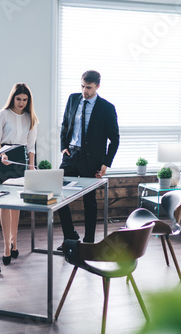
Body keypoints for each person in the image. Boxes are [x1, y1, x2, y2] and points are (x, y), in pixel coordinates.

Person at [57, 70, 119, 249]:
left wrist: (106, 163)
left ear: (97, 86)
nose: (85, 91)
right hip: (71, 156)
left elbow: (114, 139)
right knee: (60, 196)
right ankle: (70, 236)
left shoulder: (107, 108)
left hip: (92, 160)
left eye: (89, 88)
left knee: (89, 201)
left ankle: (89, 242)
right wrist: (63, 146)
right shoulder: (72, 99)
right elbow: (65, 124)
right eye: (82, 86)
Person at [0, 83, 38, 265]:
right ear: (13, 98)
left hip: (19, 158)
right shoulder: (2, 114)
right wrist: (1, 154)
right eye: (18, 99)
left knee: (16, 203)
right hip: (3, 158)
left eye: (25, 100)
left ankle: (15, 242)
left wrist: (32, 166)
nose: (21, 103)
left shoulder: (30, 118)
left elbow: (31, 146)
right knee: (5, 203)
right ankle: (5, 246)